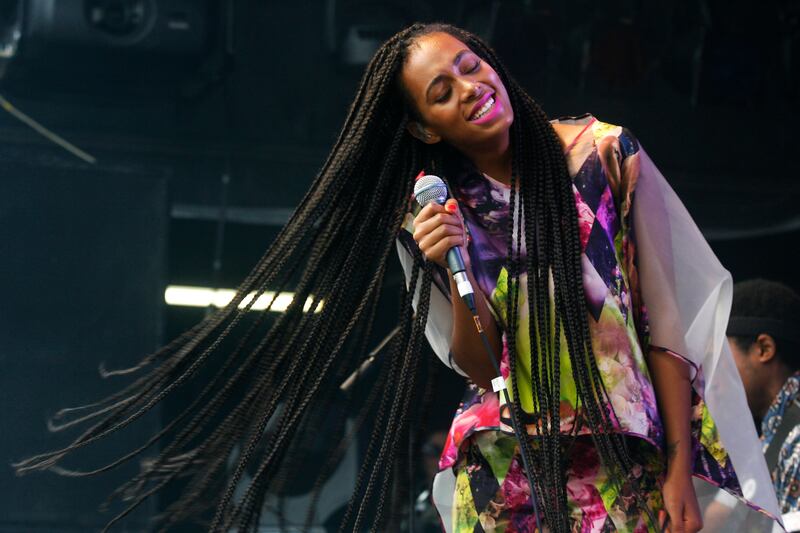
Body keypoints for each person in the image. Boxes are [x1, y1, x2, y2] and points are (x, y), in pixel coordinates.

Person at [14, 22, 780, 533]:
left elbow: (666, 325)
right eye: (441, 93)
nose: (469, 88)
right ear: (424, 126)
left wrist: (681, 462)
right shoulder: (432, 213)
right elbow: (480, 364)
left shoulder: (603, 152)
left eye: (468, 66)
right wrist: (447, 267)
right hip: (515, 465)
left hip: (631, 453)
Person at [724, 279, 800, 529]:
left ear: (764, 349)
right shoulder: (773, 432)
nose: (716, 377)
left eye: (724, 358)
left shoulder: (795, 438)